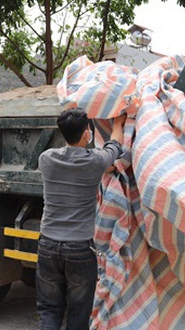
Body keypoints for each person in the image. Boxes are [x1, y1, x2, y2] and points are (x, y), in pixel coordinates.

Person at [36, 108, 125, 330]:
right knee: (78, 314)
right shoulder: (95, 162)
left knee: (49, 309)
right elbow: (114, 146)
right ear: (87, 133)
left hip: (47, 246)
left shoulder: (45, 159)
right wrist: (119, 123)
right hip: (80, 250)